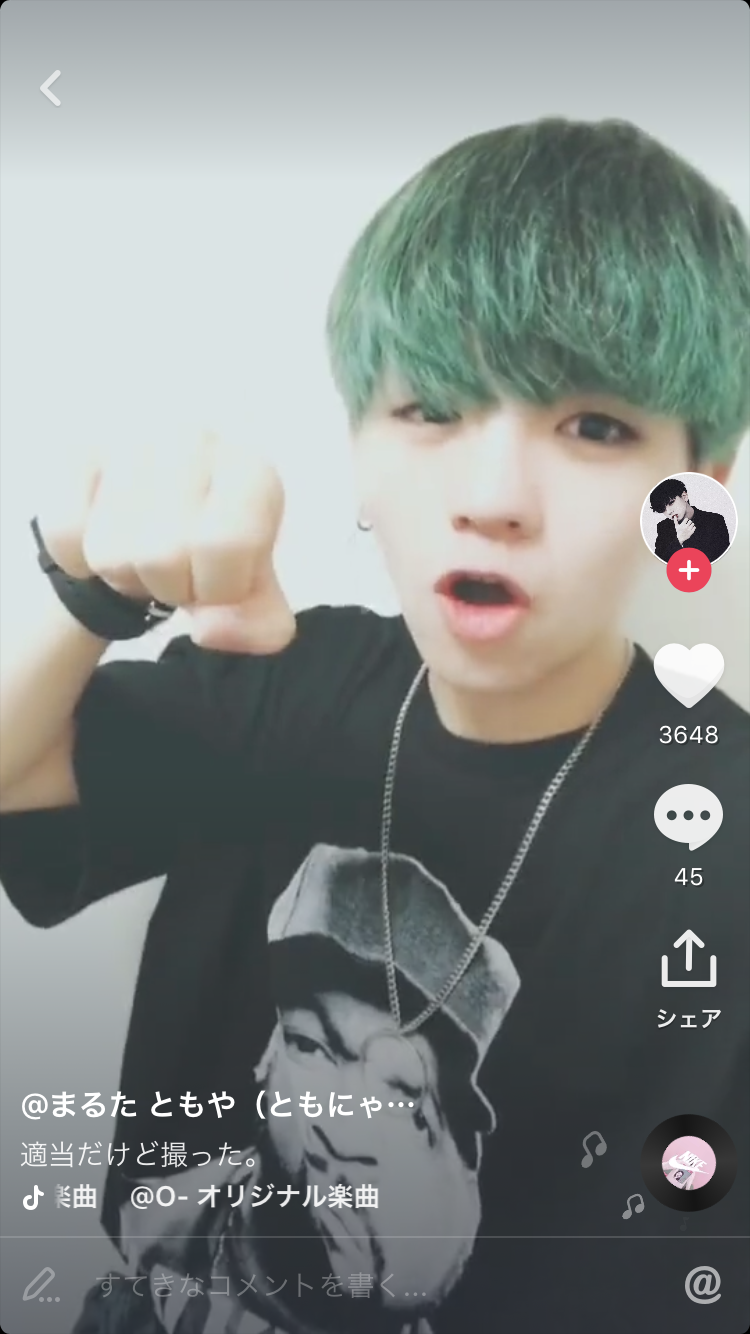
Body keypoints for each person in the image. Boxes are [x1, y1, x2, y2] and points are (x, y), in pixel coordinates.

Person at [1, 118, 749, 1334]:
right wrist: (88, 592)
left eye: (596, 427)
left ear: (694, 497)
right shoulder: (285, 682)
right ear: (356, 454)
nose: (493, 499)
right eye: (432, 406)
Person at [649, 477, 731, 562]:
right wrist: (679, 540)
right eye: (663, 509)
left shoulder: (715, 521)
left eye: (671, 503)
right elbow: (659, 563)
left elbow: (723, 559)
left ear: (684, 497)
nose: (669, 511)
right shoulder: (663, 527)